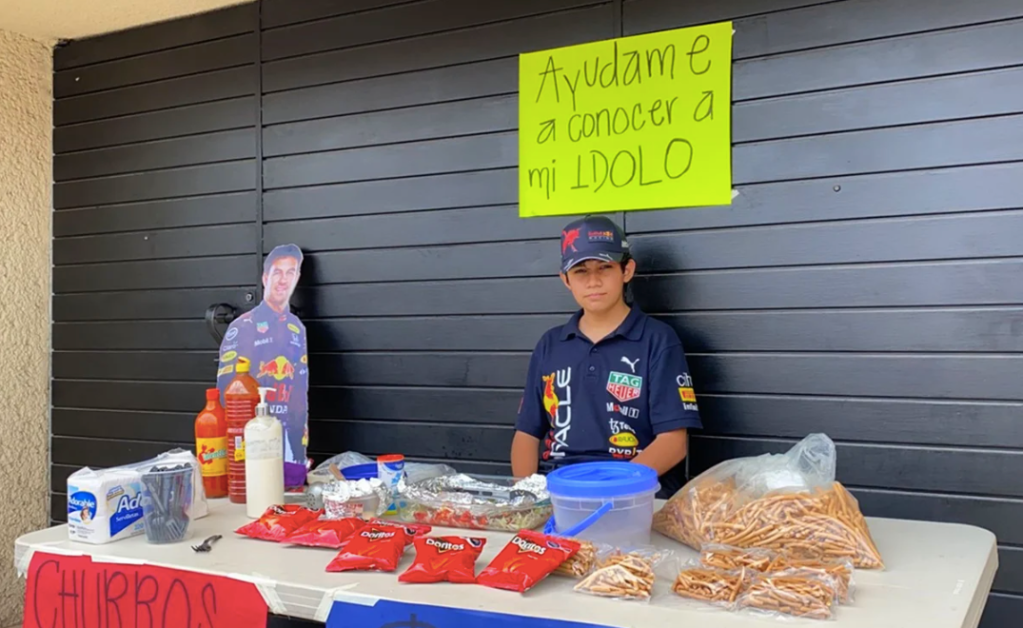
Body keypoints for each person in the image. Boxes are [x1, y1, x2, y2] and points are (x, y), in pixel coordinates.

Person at [511, 216, 702, 495]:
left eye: (605, 267)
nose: (593, 281)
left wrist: (611, 492)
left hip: (634, 494)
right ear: (565, 279)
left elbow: (673, 443)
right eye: (580, 271)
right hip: (560, 490)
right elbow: (526, 435)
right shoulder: (550, 344)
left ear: (627, 270)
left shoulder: (657, 340)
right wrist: (527, 496)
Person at [217, 244, 309, 489]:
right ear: (265, 278)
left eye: (291, 272)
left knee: (290, 498)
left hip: (290, 439)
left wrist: (300, 444)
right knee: (259, 494)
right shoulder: (243, 326)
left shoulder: (297, 328)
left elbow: (300, 390)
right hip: (255, 437)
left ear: (297, 277)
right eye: (278, 272)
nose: (283, 280)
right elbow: (228, 394)